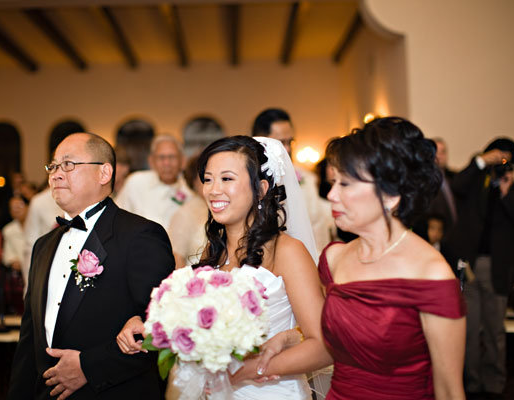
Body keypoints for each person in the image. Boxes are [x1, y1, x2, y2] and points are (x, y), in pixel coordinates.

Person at [251, 117, 467, 399]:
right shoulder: (336, 257)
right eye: (333, 183)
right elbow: (343, 334)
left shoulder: (431, 274)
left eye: (346, 184)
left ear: (391, 195)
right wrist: (291, 337)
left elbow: (449, 389)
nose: (332, 195)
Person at [118, 135, 327, 399]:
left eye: (227, 179)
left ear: (261, 189)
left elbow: (322, 345)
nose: (213, 189)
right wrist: (151, 327)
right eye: (207, 179)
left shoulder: (287, 251)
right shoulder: (213, 253)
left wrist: (255, 369)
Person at [8, 133, 174, 399]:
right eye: (53, 166)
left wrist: (88, 366)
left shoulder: (140, 236)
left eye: (69, 164)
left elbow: (161, 328)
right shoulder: (43, 245)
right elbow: (29, 340)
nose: (56, 174)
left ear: (104, 172)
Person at [443, 137, 514, 397]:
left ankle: (495, 386)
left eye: (506, 160)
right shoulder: (476, 182)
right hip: (469, 264)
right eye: (496, 158)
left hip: (498, 269)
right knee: (468, 329)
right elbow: (456, 185)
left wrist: (507, 193)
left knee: (494, 332)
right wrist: (480, 161)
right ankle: (471, 385)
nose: (501, 164)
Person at [252, 108, 333, 251]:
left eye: (290, 141)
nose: (287, 149)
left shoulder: (307, 177)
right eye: (281, 142)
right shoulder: (251, 180)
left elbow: (317, 223)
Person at [115, 134, 193, 231]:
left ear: (183, 161)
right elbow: (116, 217)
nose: (166, 163)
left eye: (172, 157)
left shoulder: (190, 190)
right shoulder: (136, 182)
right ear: (151, 161)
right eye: (161, 157)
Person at [167, 155, 207, 269]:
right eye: (205, 177)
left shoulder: (227, 209)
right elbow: (177, 259)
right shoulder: (185, 213)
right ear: (194, 181)